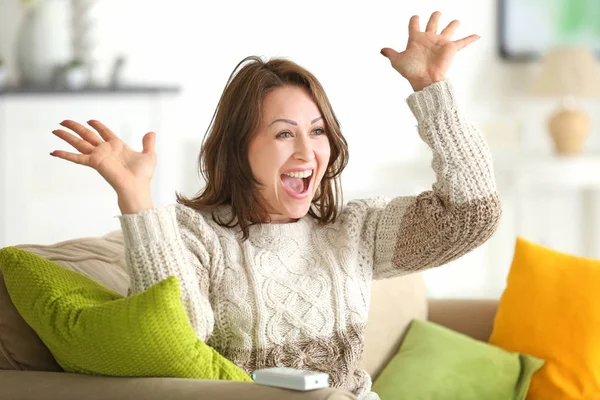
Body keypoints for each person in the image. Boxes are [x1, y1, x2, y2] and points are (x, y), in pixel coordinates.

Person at [49, 11, 502, 400]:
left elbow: (473, 216)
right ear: (240, 149)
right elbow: (176, 336)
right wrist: (136, 200)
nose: (307, 152)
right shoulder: (197, 235)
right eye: (285, 134)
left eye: (318, 131)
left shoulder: (354, 231)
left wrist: (432, 89)